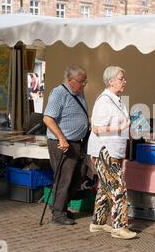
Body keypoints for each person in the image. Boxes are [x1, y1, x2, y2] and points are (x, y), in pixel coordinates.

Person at [87, 66, 136, 240]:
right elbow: (96, 128)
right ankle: (119, 227)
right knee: (118, 187)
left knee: (106, 188)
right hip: (104, 151)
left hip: (113, 151)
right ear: (111, 81)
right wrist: (119, 127)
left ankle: (98, 223)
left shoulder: (116, 100)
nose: (124, 81)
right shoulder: (104, 101)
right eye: (121, 78)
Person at [43, 65, 90, 225]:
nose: (84, 84)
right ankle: (58, 213)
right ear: (70, 80)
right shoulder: (59, 93)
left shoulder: (78, 91)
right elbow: (48, 118)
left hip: (77, 142)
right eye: (81, 81)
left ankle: (60, 206)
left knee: (80, 174)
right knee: (64, 177)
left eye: (85, 81)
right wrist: (62, 138)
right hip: (63, 142)